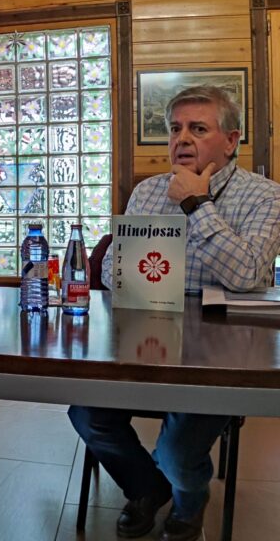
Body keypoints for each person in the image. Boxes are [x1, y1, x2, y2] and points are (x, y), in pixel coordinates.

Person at [69, 86, 280, 541]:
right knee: (86, 414)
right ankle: (148, 488)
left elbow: (247, 275)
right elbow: (111, 268)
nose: (182, 139)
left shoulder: (264, 197)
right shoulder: (147, 192)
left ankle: (189, 501)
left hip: (221, 358)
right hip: (143, 345)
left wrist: (196, 205)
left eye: (198, 128)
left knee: (180, 448)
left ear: (231, 140)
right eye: (175, 129)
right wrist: (117, 262)